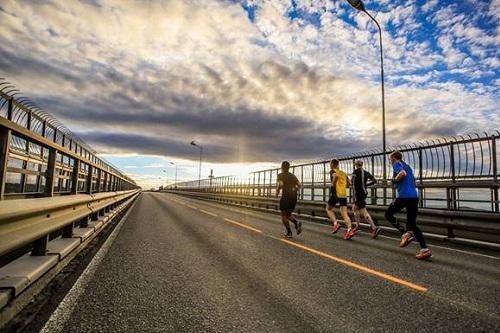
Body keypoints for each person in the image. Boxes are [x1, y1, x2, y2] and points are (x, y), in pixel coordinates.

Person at [385, 151, 432, 260]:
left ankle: (405, 233)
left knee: (388, 214)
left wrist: (394, 179)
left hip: (404, 197)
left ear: (394, 158)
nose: (390, 161)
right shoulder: (408, 167)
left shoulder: (397, 164)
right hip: (414, 197)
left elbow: (402, 174)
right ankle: (425, 249)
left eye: (390, 159)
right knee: (412, 224)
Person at [326, 159, 357, 240]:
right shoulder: (343, 173)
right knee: (344, 213)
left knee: (328, 208)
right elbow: (349, 183)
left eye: (330, 164)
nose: (330, 165)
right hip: (343, 194)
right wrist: (343, 186)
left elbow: (335, 176)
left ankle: (336, 223)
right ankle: (349, 229)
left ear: (332, 164)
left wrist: (333, 184)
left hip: (336, 193)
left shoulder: (333, 171)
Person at [351, 160, 380, 238]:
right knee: (355, 208)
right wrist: (366, 185)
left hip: (358, 194)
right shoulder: (366, 172)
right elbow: (374, 180)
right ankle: (358, 226)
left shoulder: (355, 172)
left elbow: (352, 182)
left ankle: (373, 227)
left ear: (356, 165)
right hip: (364, 193)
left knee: (362, 210)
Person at [276, 161, 302, 238]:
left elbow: (281, 184)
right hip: (294, 197)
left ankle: (289, 232)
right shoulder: (293, 176)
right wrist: (294, 190)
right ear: (289, 167)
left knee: (283, 214)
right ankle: (296, 223)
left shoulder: (280, 175)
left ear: (281, 167)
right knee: (288, 214)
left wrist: (277, 191)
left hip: (286, 196)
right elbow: (300, 185)